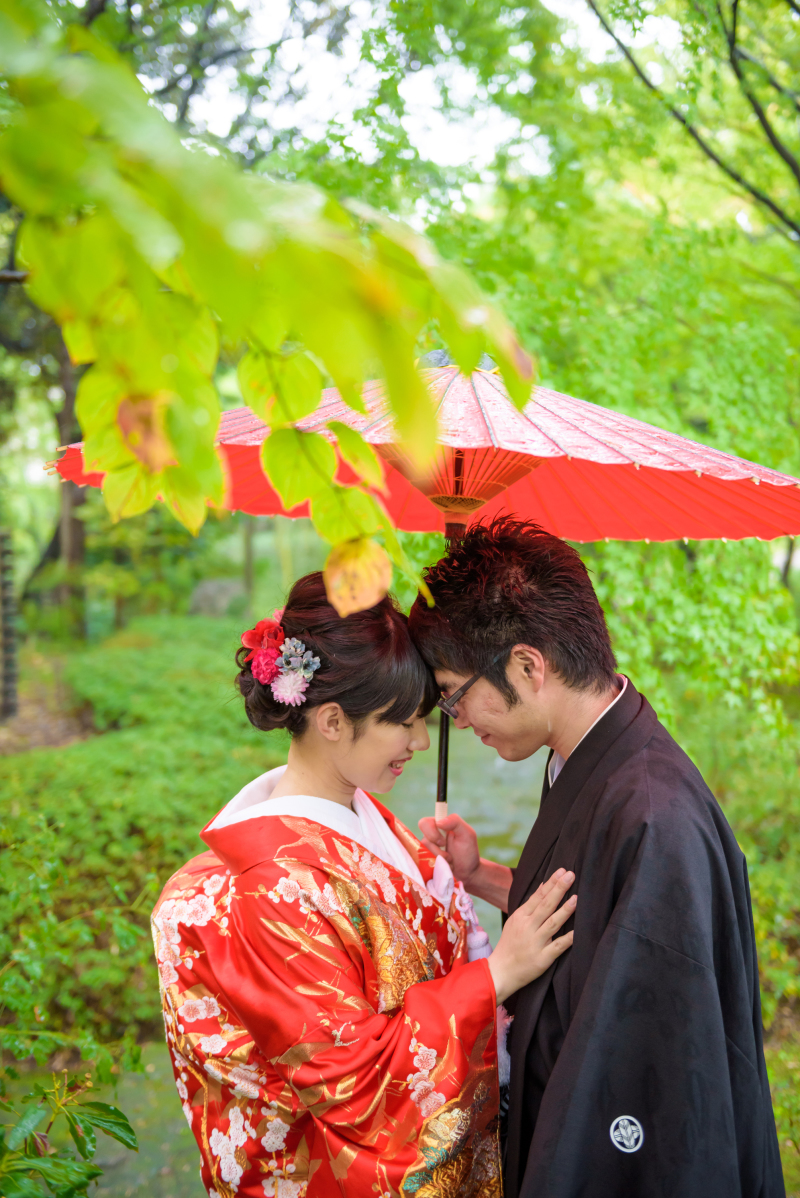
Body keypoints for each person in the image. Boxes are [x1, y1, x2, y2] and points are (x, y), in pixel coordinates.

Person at [151, 572, 576, 1198]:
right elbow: (357, 1085)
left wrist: (464, 881)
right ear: (329, 721)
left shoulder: (363, 815)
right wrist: (494, 977)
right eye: (400, 722)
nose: (420, 740)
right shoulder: (272, 888)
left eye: (424, 717)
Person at [409, 517, 785, 1198]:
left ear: (528, 666)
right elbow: (585, 912)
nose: (460, 722)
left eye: (457, 697)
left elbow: (655, 1062)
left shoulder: (654, 814)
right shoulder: (585, 755)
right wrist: (480, 877)